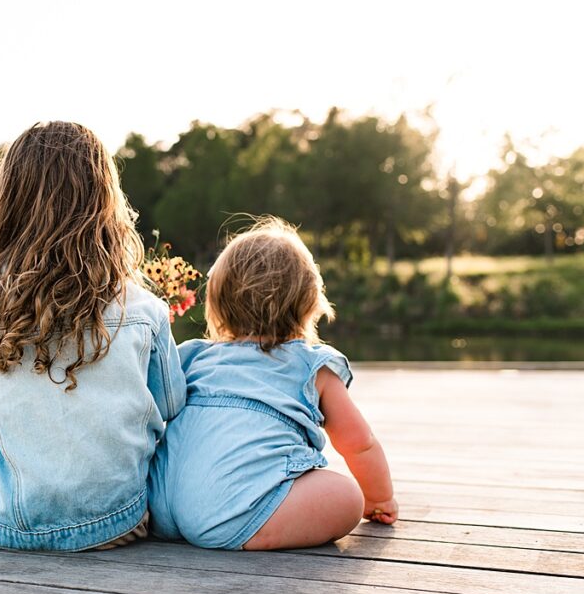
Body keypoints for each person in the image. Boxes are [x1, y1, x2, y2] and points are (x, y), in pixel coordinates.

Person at [0, 121, 185, 551]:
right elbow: (170, 404)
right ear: (106, 204)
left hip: (0, 526)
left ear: (6, 206)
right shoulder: (143, 309)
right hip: (115, 522)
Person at [148, 217, 398, 550]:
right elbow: (359, 443)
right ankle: (249, 530)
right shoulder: (312, 366)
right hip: (232, 510)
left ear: (217, 302)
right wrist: (379, 498)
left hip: (162, 505)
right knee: (346, 496)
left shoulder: (193, 355)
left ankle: (210, 518)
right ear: (309, 301)